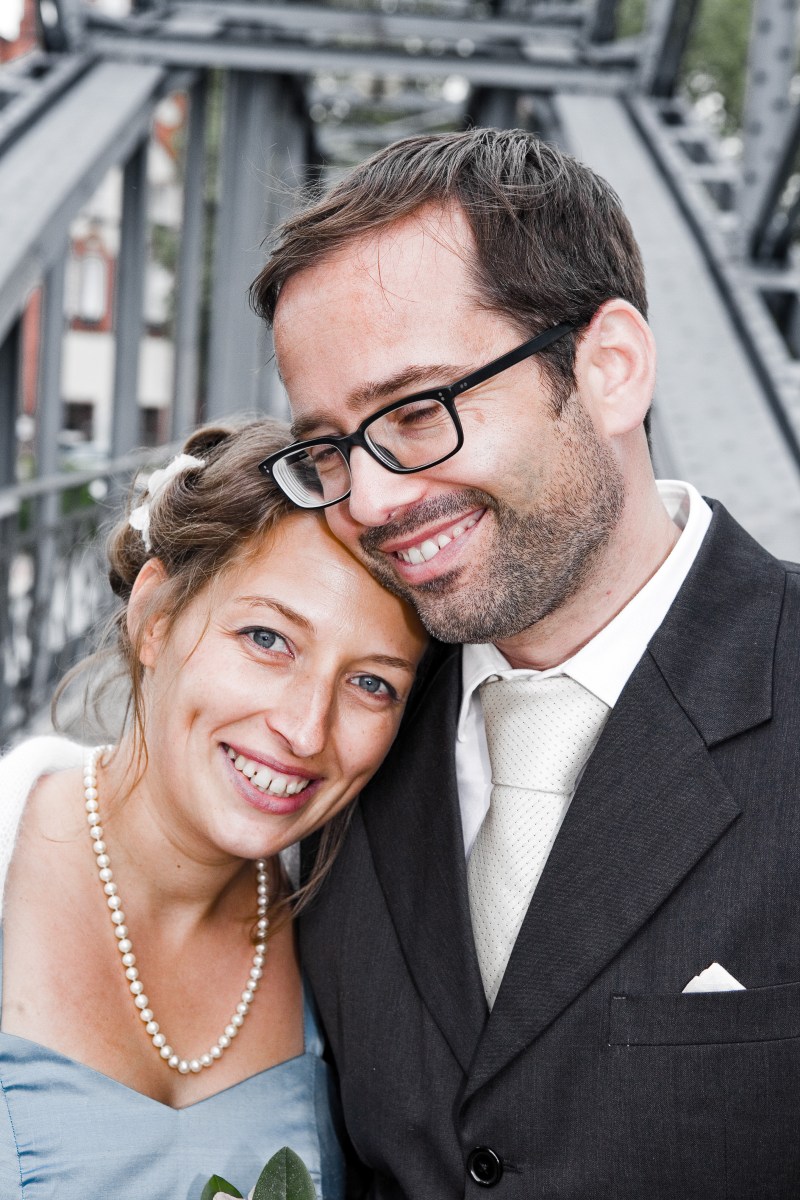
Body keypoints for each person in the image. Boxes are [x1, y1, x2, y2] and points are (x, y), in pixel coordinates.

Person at [250, 127, 800, 1198]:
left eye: (418, 413)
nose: (371, 501)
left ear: (608, 370)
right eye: (329, 448)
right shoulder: (333, 742)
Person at [0, 418, 427, 1200]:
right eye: (267, 638)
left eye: (372, 683)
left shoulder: (358, 936)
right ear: (155, 616)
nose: (306, 730)